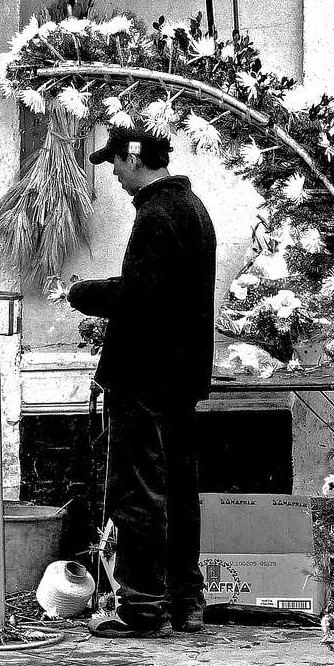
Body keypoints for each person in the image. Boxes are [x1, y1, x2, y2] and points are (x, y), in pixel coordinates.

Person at [65, 126, 216, 638]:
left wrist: (84, 293)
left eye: (115, 162)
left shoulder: (156, 213)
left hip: (145, 377)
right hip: (181, 377)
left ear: (135, 157)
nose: (112, 172)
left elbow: (140, 297)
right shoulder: (193, 210)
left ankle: (144, 606)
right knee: (179, 488)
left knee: (140, 492)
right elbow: (167, 294)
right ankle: (185, 601)